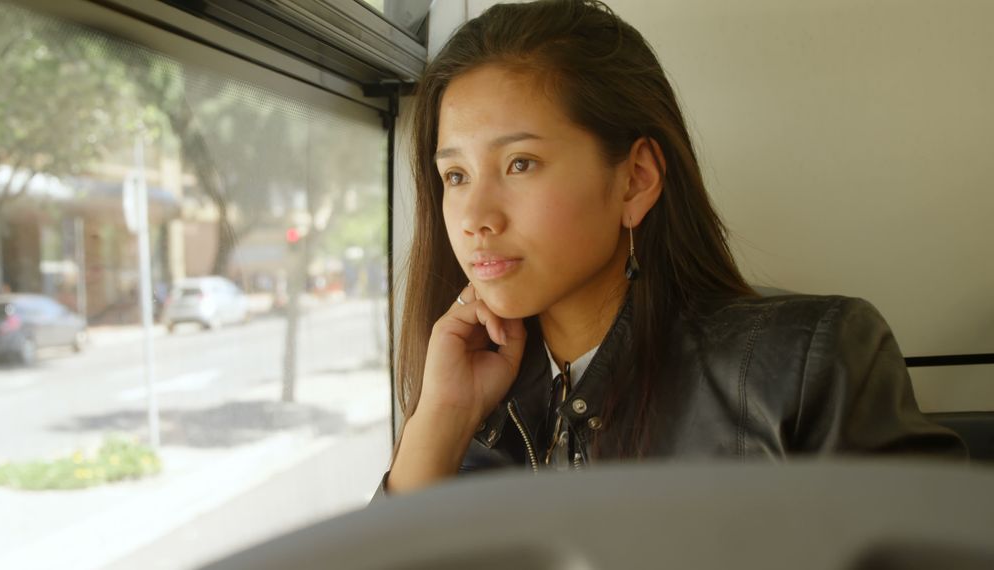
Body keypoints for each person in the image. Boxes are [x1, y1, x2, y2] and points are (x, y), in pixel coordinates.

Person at [380, 0, 965, 495]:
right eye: (454, 176)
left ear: (635, 179)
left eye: (520, 163)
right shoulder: (471, 403)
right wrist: (441, 419)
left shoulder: (805, 367)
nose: (475, 218)